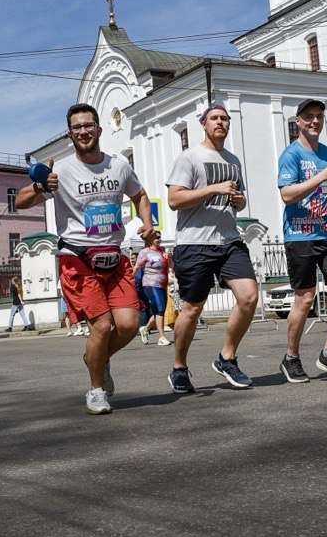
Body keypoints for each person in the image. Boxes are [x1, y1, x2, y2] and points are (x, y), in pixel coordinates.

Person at [16, 103, 153, 415]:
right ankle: (96, 389)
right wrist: (40, 185)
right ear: (70, 134)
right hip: (77, 259)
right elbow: (22, 201)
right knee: (102, 327)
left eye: (88, 125)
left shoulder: (118, 165)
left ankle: (97, 357)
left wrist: (148, 222)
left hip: (114, 258)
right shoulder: (60, 171)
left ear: (99, 129)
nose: (83, 132)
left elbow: (140, 195)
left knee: (130, 324)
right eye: (77, 128)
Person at [164, 103, 260, 393]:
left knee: (249, 296)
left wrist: (239, 202)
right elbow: (174, 200)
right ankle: (179, 367)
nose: (220, 123)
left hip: (229, 240)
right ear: (204, 124)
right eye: (214, 118)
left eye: (224, 119)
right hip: (194, 242)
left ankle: (227, 357)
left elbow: (238, 197)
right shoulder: (189, 157)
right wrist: (212, 189)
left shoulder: (234, 160)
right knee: (192, 310)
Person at [277, 99, 327, 383]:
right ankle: (291, 357)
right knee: (305, 299)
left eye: (319, 117)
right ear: (298, 122)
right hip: (300, 236)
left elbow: (325, 190)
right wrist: (320, 177)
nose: (314, 121)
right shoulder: (291, 155)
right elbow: (287, 194)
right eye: (309, 117)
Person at [134, 231, 173, 346]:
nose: (159, 239)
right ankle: (161, 337)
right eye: (156, 237)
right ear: (150, 239)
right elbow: (136, 267)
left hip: (162, 284)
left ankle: (145, 329)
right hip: (150, 284)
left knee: (159, 311)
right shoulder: (144, 252)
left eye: (160, 237)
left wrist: (169, 259)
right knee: (160, 308)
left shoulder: (162, 251)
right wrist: (129, 281)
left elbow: (171, 266)